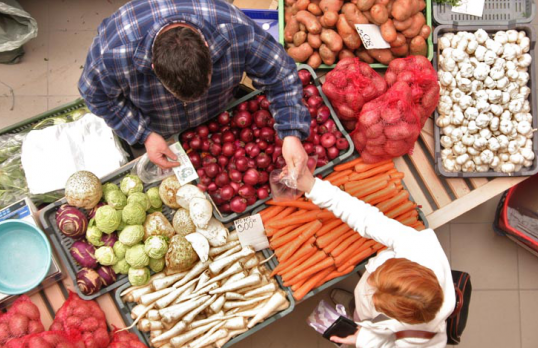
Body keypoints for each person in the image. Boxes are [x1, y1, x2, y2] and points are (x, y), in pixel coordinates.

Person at [78, 0, 309, 177]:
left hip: (219, 116)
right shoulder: (112, 55)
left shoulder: (236, 30)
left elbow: (280, 73)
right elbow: (96, 96)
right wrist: (143, 134)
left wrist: (290, 132)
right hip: (160, 127)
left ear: (208, 49)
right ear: (153, 66)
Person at [295, 167, 456, 348]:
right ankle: (356, 308)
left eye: (378, 300)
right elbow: (366, 218)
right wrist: (314, 187)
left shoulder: (423, 338)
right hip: (377, 313)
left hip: (376, 324)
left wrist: (364, 340)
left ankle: (358, 312)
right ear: (407, 265)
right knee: (362, 305)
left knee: (363, 313)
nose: (370, 282)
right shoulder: (416, 247)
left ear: (396, 316)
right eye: (376, 275)